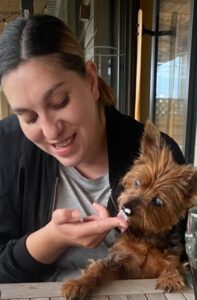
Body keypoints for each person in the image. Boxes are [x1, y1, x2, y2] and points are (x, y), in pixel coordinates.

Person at [0, 14, 186, 283]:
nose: (51, 131)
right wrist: (52, 239)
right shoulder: (6, 151)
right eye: (28, 118)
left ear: (90, 80)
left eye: (60, 102)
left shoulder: (157, 157)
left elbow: (177, 258)